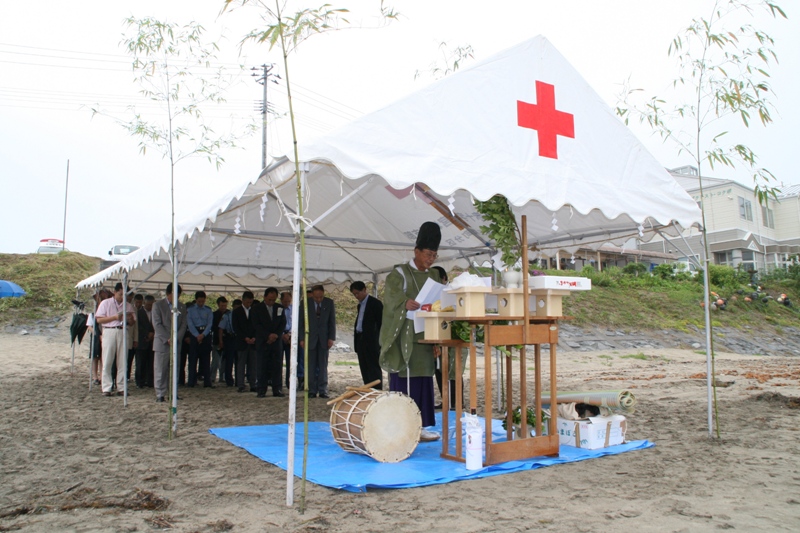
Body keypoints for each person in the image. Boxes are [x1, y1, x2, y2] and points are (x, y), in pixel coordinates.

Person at [379, 221, 443, 441]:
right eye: (428, 254)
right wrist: (404, 302)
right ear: (416, 251)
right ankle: (402, 426)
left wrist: (437, 341)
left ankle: (421, 426)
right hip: (405, 337)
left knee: (424, 382)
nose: (431, 259)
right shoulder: (399, 274)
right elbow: (390, 300)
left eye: (435, 255)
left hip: (425, 337)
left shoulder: (434, 275)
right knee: (405, 382)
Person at [431, 266, 464, 410]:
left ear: (444, 278)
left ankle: (456, 402)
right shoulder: (432, 293)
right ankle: (446, 400)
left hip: (454, 336)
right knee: (439, 369)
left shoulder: (452, 291)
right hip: (438, 336)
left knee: (454, 371)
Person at [95, 282, 137, 397]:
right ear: (115, 292)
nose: (122, 297)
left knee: (123, 360)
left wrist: (130, 319)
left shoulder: (128, 305)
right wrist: (114, 317)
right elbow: (99, 320)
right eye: (120, 294)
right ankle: (106, 387)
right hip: (109, 330)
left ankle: (121, 387)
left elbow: (133, 322)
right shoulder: (105, 303)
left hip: (123, 330)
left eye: (124, 295)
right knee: (108, 359)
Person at [298, 285, 336, 398]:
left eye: (321, 297)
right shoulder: (305, 303)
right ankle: (311, 390)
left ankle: (323, 389)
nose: (319, 299)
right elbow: (301, 322)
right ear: (312, 295)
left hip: (324, 339)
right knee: (310, 365)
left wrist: (331, 338)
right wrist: (301, 338)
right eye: (316, 297)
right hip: (310, 338)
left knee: (323, 365)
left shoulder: (329, 303)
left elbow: (332, 321)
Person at [152, 283, 187, 403]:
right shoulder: (157, 305)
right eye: (174, 294)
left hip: (176, 343)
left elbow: (183, 324)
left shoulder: (182, 307)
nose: (176, 297)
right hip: (162, 343)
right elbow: (157, 324)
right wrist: (167, 338)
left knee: (175, 369)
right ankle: (160, 394)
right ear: (169, 293)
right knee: (161, 369)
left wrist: (177, 338)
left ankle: (173, 392)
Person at [253, 287, 286, 397]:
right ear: (265, 297)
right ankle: (261, 389)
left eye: (274, 299)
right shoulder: (257, 308)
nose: (271, 302)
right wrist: (268, 335)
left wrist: (276, 334)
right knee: (262, 366)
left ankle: (277, 389)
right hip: (263, 342)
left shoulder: (279, 308)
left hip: (276, 342)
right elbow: (256, 325)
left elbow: (283, 323)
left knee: (277, 365)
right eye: (269, 299)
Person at [350, 281, 384, 389]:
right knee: (364, 367)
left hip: (372, 341)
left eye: (357, 293)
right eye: (354, 294)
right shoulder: (359, 306)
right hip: (361, 340)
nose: (356, 296)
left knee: (373, 367)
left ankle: (376, 390)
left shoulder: (375, 304)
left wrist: (379, 341)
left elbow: (381, 324)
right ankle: (367, 389)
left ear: (364, 290)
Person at [186, 291, 214, 388]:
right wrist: (197, 335)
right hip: (194, 335)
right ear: (196, 300)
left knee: (206, 360)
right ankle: (191, 381)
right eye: (199, 301)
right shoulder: (190, 310)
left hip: (205, 335)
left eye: (202, 301)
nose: (201, 303)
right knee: (193, 359)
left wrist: (203, 335)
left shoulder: (208, 310)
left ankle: (207, 382)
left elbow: (210, 324)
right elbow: (190, 324)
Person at [232, 291, 257, 393]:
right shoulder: (237, 311)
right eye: (247, 302)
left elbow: (257, 325)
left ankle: (253, 384)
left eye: (250, 302)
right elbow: (236, 327)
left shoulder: (255, 310)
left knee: (253, 364)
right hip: (242, 341)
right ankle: (241, 384)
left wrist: (254, 337)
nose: (248, 304)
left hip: (253, 342)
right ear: (243, 300)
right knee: (241, 364)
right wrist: (245, 338)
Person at [280, 291, 303, 390]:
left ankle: (290, 383)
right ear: (281, 300)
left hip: (291, 336)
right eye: (285, 301)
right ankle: (277, 383)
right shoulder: (279, 309)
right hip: (280, 336)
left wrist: (290, 334)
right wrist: (282, 335)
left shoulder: (294, 309)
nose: (287, 303)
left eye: (288, 301)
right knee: (278, 361)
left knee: (291, 361)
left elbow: (297, 322)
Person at [135, 295, 156, 388]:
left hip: (152, 341)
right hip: (142, 341)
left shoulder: (155, 313)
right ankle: (140, 381)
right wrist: (146, 334)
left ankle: (150, 381)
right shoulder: (139, 313)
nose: (150, 307)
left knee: (151, 362)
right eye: (148, 305)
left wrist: (153, 334)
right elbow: (138, 326)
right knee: (140, 363)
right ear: (144, 303)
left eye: (151, 305)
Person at [218, 298, 239, 387]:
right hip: (229, 338)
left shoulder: (242, 315)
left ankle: (239, 380)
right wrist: (221, 341)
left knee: (239, 361)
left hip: (238, 339)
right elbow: (221, 329)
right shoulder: (227, 315)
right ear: (233, 307)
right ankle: (229, 380)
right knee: (229, 360)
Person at [211, 296, 228, 384]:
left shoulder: (229, 314)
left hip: (227, 340)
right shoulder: (214, 315)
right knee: (215, 360)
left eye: (225, 305)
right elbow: (213, 328)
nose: (223, 307)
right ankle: (212, 376)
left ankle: (223, 377)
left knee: (225, 361)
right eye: (222, 305)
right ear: (218, 305)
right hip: (216, 340)